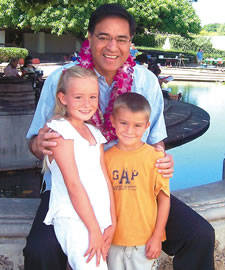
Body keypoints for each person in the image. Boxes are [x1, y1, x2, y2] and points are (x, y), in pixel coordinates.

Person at [24, 3, 215, 270]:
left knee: (199, 235)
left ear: (130, 43)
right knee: (40, 251)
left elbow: (155, 141)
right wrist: (39, 144)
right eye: (103, 37)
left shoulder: (145, 81)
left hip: (133, 184)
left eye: (121, 39)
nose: (112, 47)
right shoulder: (62, 79)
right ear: (89, 38)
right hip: (70, 188)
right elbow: (33, 142)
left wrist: (162, 160)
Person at [42, 66, 116, 269]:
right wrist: (93, 230)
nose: (87, 104)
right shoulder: (59, 131)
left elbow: (104, 178)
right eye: (78, 97)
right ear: (63, 98)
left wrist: (112, 221)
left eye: (93, 97)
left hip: (98, 217)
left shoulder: (94, 132)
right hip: (74, 219)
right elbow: (73, 184)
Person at [105, 92, 170, 270]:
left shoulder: (155, 157)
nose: (129, 131)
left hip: (144, 241)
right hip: (113, 241)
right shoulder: (104, 158)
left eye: (137, 125)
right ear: (113, 121)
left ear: (147, 126)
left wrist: (157, 236)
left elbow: (164, 199)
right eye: (123, 123)